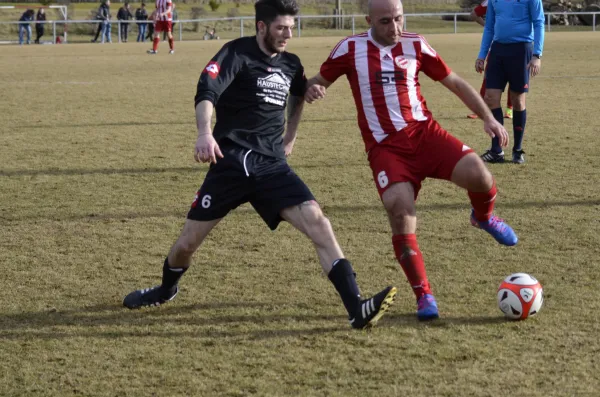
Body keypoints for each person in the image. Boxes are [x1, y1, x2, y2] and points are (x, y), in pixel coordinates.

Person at [123, 0, 397, 330]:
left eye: (292, 28)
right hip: (230, 164)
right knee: (186, 246)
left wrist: (290, 136)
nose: (287, 35)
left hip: (271, 166)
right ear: (261, 26)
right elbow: (207, 91)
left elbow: (298, 94)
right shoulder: (235, 53)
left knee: (319, 224)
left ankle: (357, 308)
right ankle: (165, 290)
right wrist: (204, 133)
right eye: (281, 28)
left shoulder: (291, 63)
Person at [304, 0, 518, 321]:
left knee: (481, 176)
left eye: (400, 19)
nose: (395, 28)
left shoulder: (415, 44)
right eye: (386, 22)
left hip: (425, 135)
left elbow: (455, 82)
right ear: (369, 21)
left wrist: (489, 118)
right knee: (400, 212)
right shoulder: (350, 49)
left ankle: (483, 217)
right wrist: (312, 90)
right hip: (385, 149)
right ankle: (424, 295)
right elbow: (316, 81)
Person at [476, 0, 545, 164]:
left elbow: (539, 22)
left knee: (517, 100)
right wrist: (482, 54)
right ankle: (496, 150)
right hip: (498, 50)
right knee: (490, 97)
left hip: (522, 49)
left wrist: (537, 55)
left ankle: (517, 150)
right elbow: (489, 26)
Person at [467, 0, 512, 120]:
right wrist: (489, 26)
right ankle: (485, 110)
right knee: (491, 76)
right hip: (501, 44)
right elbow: (474, 14)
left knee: (509, 77)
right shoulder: (492, 1)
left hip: (513, 44)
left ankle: (508, 109)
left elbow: (473, 15)